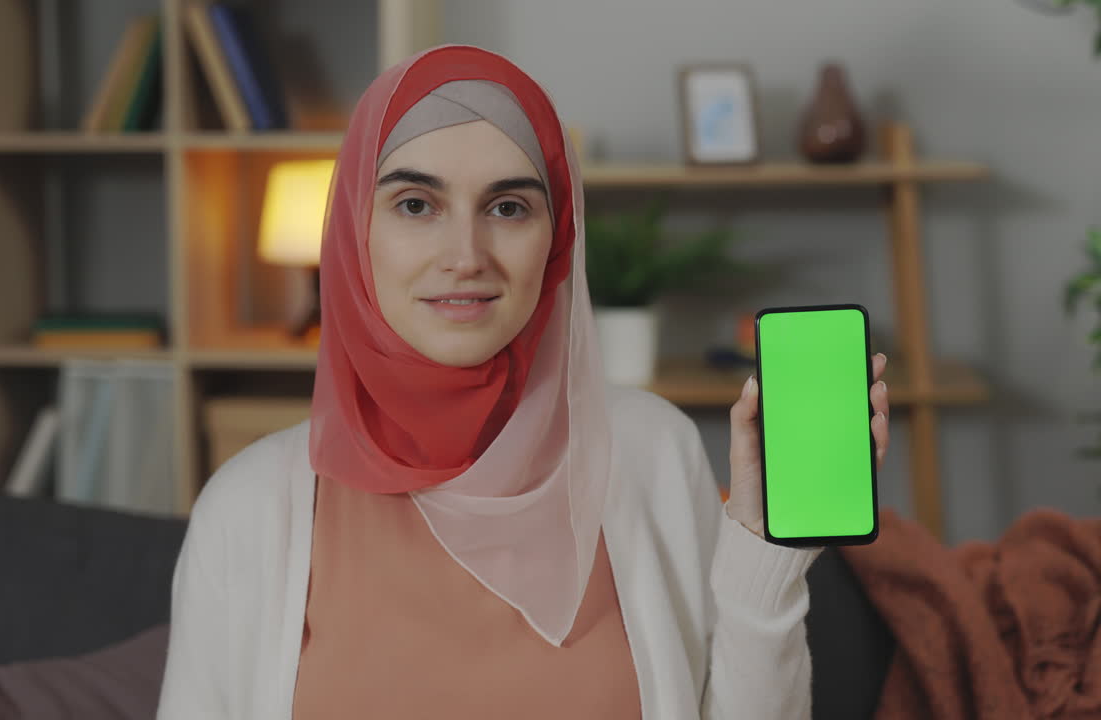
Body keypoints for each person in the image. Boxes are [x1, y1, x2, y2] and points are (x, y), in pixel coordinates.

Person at [156, 44, 892, 719]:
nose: (466, 254)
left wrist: (764, 551)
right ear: (356, 231)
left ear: (557, 238)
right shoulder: (251, 507)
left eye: (508, 207)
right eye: (417, 204)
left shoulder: (649, 451)